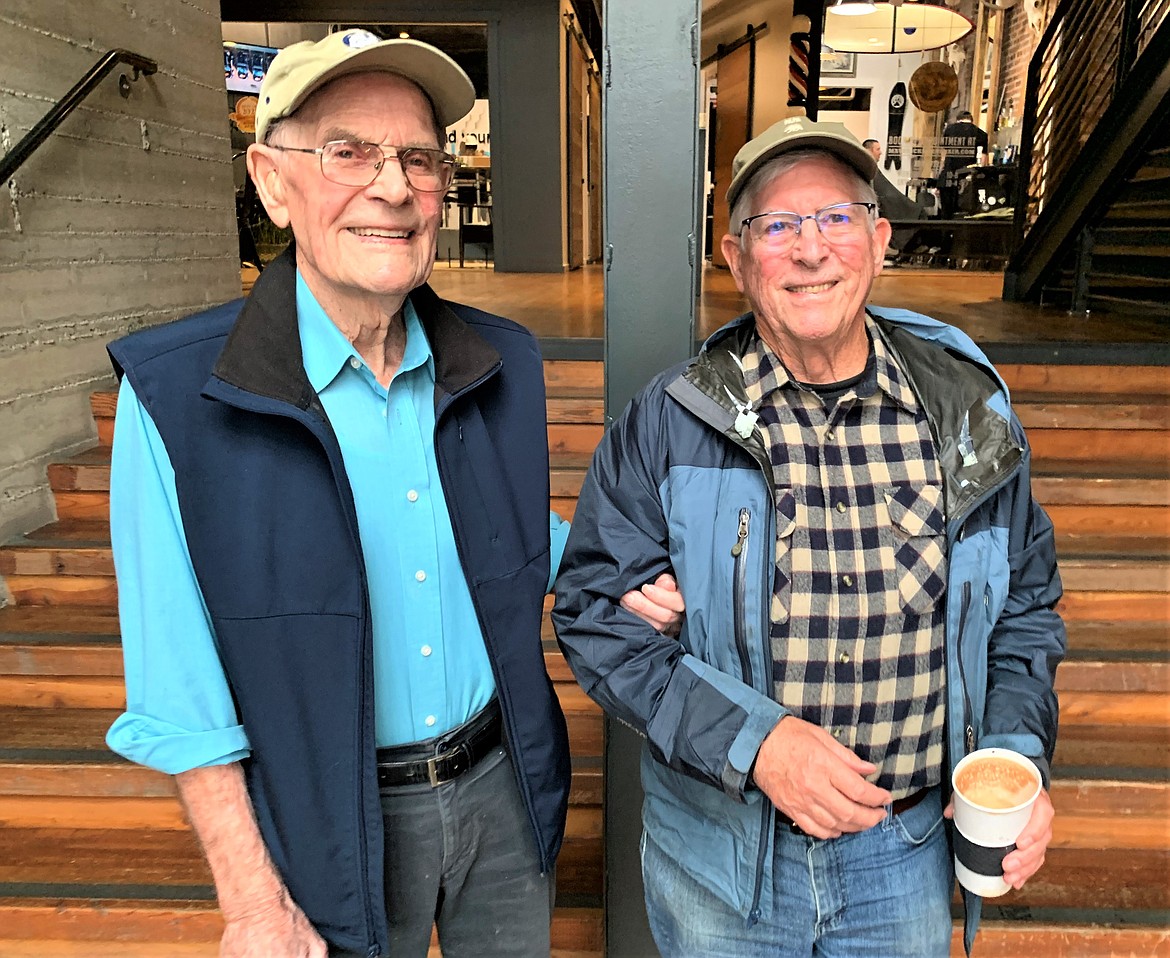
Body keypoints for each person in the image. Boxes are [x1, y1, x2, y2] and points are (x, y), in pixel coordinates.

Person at [104, 30, 677, 958]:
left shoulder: (500, 361)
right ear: (271, 180)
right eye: (348, 151)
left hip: (503, 785)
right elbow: (180, 687)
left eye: (418, 156)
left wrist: (613, 566)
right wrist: (252, 904)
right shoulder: (173, 397)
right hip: (329, 816)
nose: (393, 186)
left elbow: (494, 528)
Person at [552, 115, 1065, 958]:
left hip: (903, 854)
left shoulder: (967, 410)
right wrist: (756, 743)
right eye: (778, 226)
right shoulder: (673, 420)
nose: (810, 248)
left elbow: (1027, 608)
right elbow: (594, 617)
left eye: (836, 218)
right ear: (735, 255)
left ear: (879, 237)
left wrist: (1013, 756)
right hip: (721, 861)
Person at [939, 109, 989, 217]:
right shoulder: (981, 134)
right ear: (971, 121)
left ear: (958, 121)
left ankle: (946, 233)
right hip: (968, 181)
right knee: (964, 214)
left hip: (948, 177)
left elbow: (943, 155)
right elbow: (983, 162)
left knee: (946, 214)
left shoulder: (949, 129)